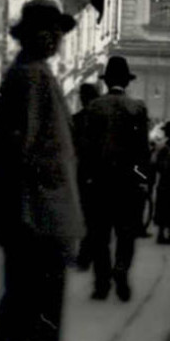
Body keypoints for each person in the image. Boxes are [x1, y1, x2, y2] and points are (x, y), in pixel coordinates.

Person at [0, 0, 84, 341]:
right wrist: (35, 195)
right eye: (49, 30)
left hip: (37, 204)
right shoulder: (30, 77)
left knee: (27, 293)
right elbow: (19, 145)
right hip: (35, 206)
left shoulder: (34, 73)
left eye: (57, 31)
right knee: (35, 292)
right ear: (33, 34)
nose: (55, 37)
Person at [75, 57, 152, 301]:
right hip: (128, 183)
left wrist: (85, 178)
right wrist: (142, 179)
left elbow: (85, 149)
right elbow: (142, 151)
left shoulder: (94, 107)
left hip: (98, 183)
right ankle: (121, 272)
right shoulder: (137, 108)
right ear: (126, 82)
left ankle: (101, 283)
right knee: (126, 233)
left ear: (106, 81)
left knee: (99, 234)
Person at [70, 82, 101, 268]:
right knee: (94, 216)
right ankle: (88, 253)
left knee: (82, 212)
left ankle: (83, 253)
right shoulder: (102, 118)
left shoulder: (75, 119)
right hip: (98, 172)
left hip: (80, 172)